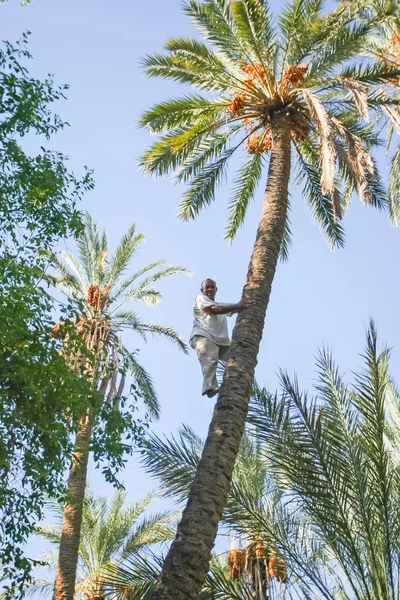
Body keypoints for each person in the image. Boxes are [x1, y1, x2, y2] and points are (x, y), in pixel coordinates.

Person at [190, 278, 250, 398]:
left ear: (216, 290)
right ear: (202, 290)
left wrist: (240, 306)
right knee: (209, 361)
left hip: (220, 342)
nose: (210, 289)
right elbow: (213, 310)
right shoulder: (200, 299)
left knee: (236, 356)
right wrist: (238, 305)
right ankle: (210, 387)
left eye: (212, 287)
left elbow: (230, 308)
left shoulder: (219, 305)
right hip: (204, 336)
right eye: (207, 287)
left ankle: (237, 379)